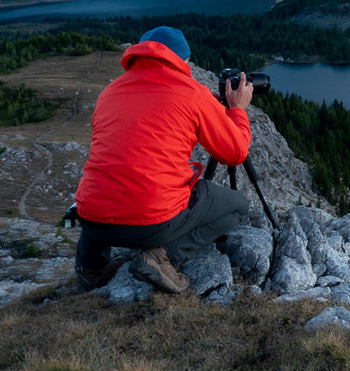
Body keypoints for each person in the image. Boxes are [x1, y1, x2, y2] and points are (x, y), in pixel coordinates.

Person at [73, 26, 253, 293]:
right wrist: (236, 110)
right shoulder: (191, 92)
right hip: (151, 225)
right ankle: (162, 256)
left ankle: (90, 269)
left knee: (108, 180)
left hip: (91, 221)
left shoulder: (109, 92)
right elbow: (234, 153)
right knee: (237, 205)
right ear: (182, 60)